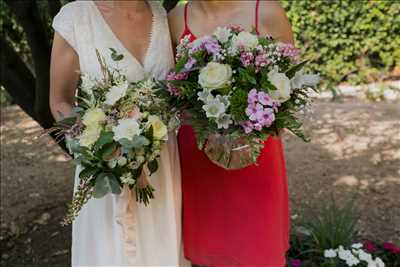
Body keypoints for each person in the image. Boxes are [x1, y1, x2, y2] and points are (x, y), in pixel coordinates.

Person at [50, 1, 189, 266]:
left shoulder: (161, 15)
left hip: (162, 170)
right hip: (107, 169)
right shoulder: (76, 17)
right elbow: (59, 102)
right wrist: (97, 143)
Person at [169, 0, 294, 266]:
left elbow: (289, 88)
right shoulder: (177, 18)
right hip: (197, 152)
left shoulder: (267, 11)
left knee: (256, 248)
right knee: (204, 251)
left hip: (255, 155)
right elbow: (172, 88)